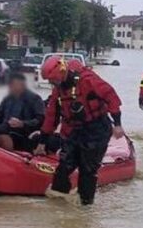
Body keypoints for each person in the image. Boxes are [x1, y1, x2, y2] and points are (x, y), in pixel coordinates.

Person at [34, 56, 123, 206]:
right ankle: (58, 205)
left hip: (96, 129)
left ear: (59, 75)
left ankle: (85, 207)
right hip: (73, 130)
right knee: (63, 168)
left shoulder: (87, 80)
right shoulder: (59, 90)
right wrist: (42, 142)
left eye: (52, 80)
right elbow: (52, 116)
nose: (51, 84)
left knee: (87, 170)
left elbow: (111, 97)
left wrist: (118, 124)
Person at [0, 72, 45, 152]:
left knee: (2, 129)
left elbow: (40, 119)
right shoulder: (7, 99)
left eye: (15, 84)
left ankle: (9, 156)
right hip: (5, 127)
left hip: (24, 131)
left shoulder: (34, 99)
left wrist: (22, 123)